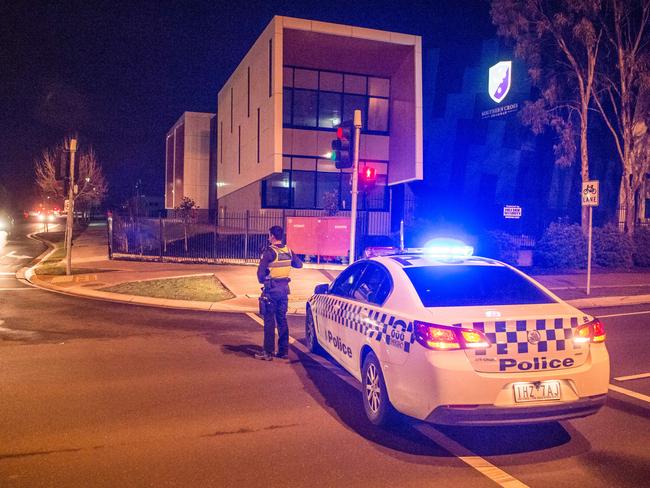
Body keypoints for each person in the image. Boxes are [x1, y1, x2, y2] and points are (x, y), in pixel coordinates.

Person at [254, 225, 303, 361]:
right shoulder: (288, 251)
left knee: (269, 321)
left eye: (269, 235)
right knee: (282, 320)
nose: (268, 237)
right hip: (284, 291)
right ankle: (283, 351)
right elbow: (299, 265)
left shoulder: (269, 252)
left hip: (271, 291)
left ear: (272, 236)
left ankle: (268, 352)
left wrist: (267, 277)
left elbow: (260, 275)